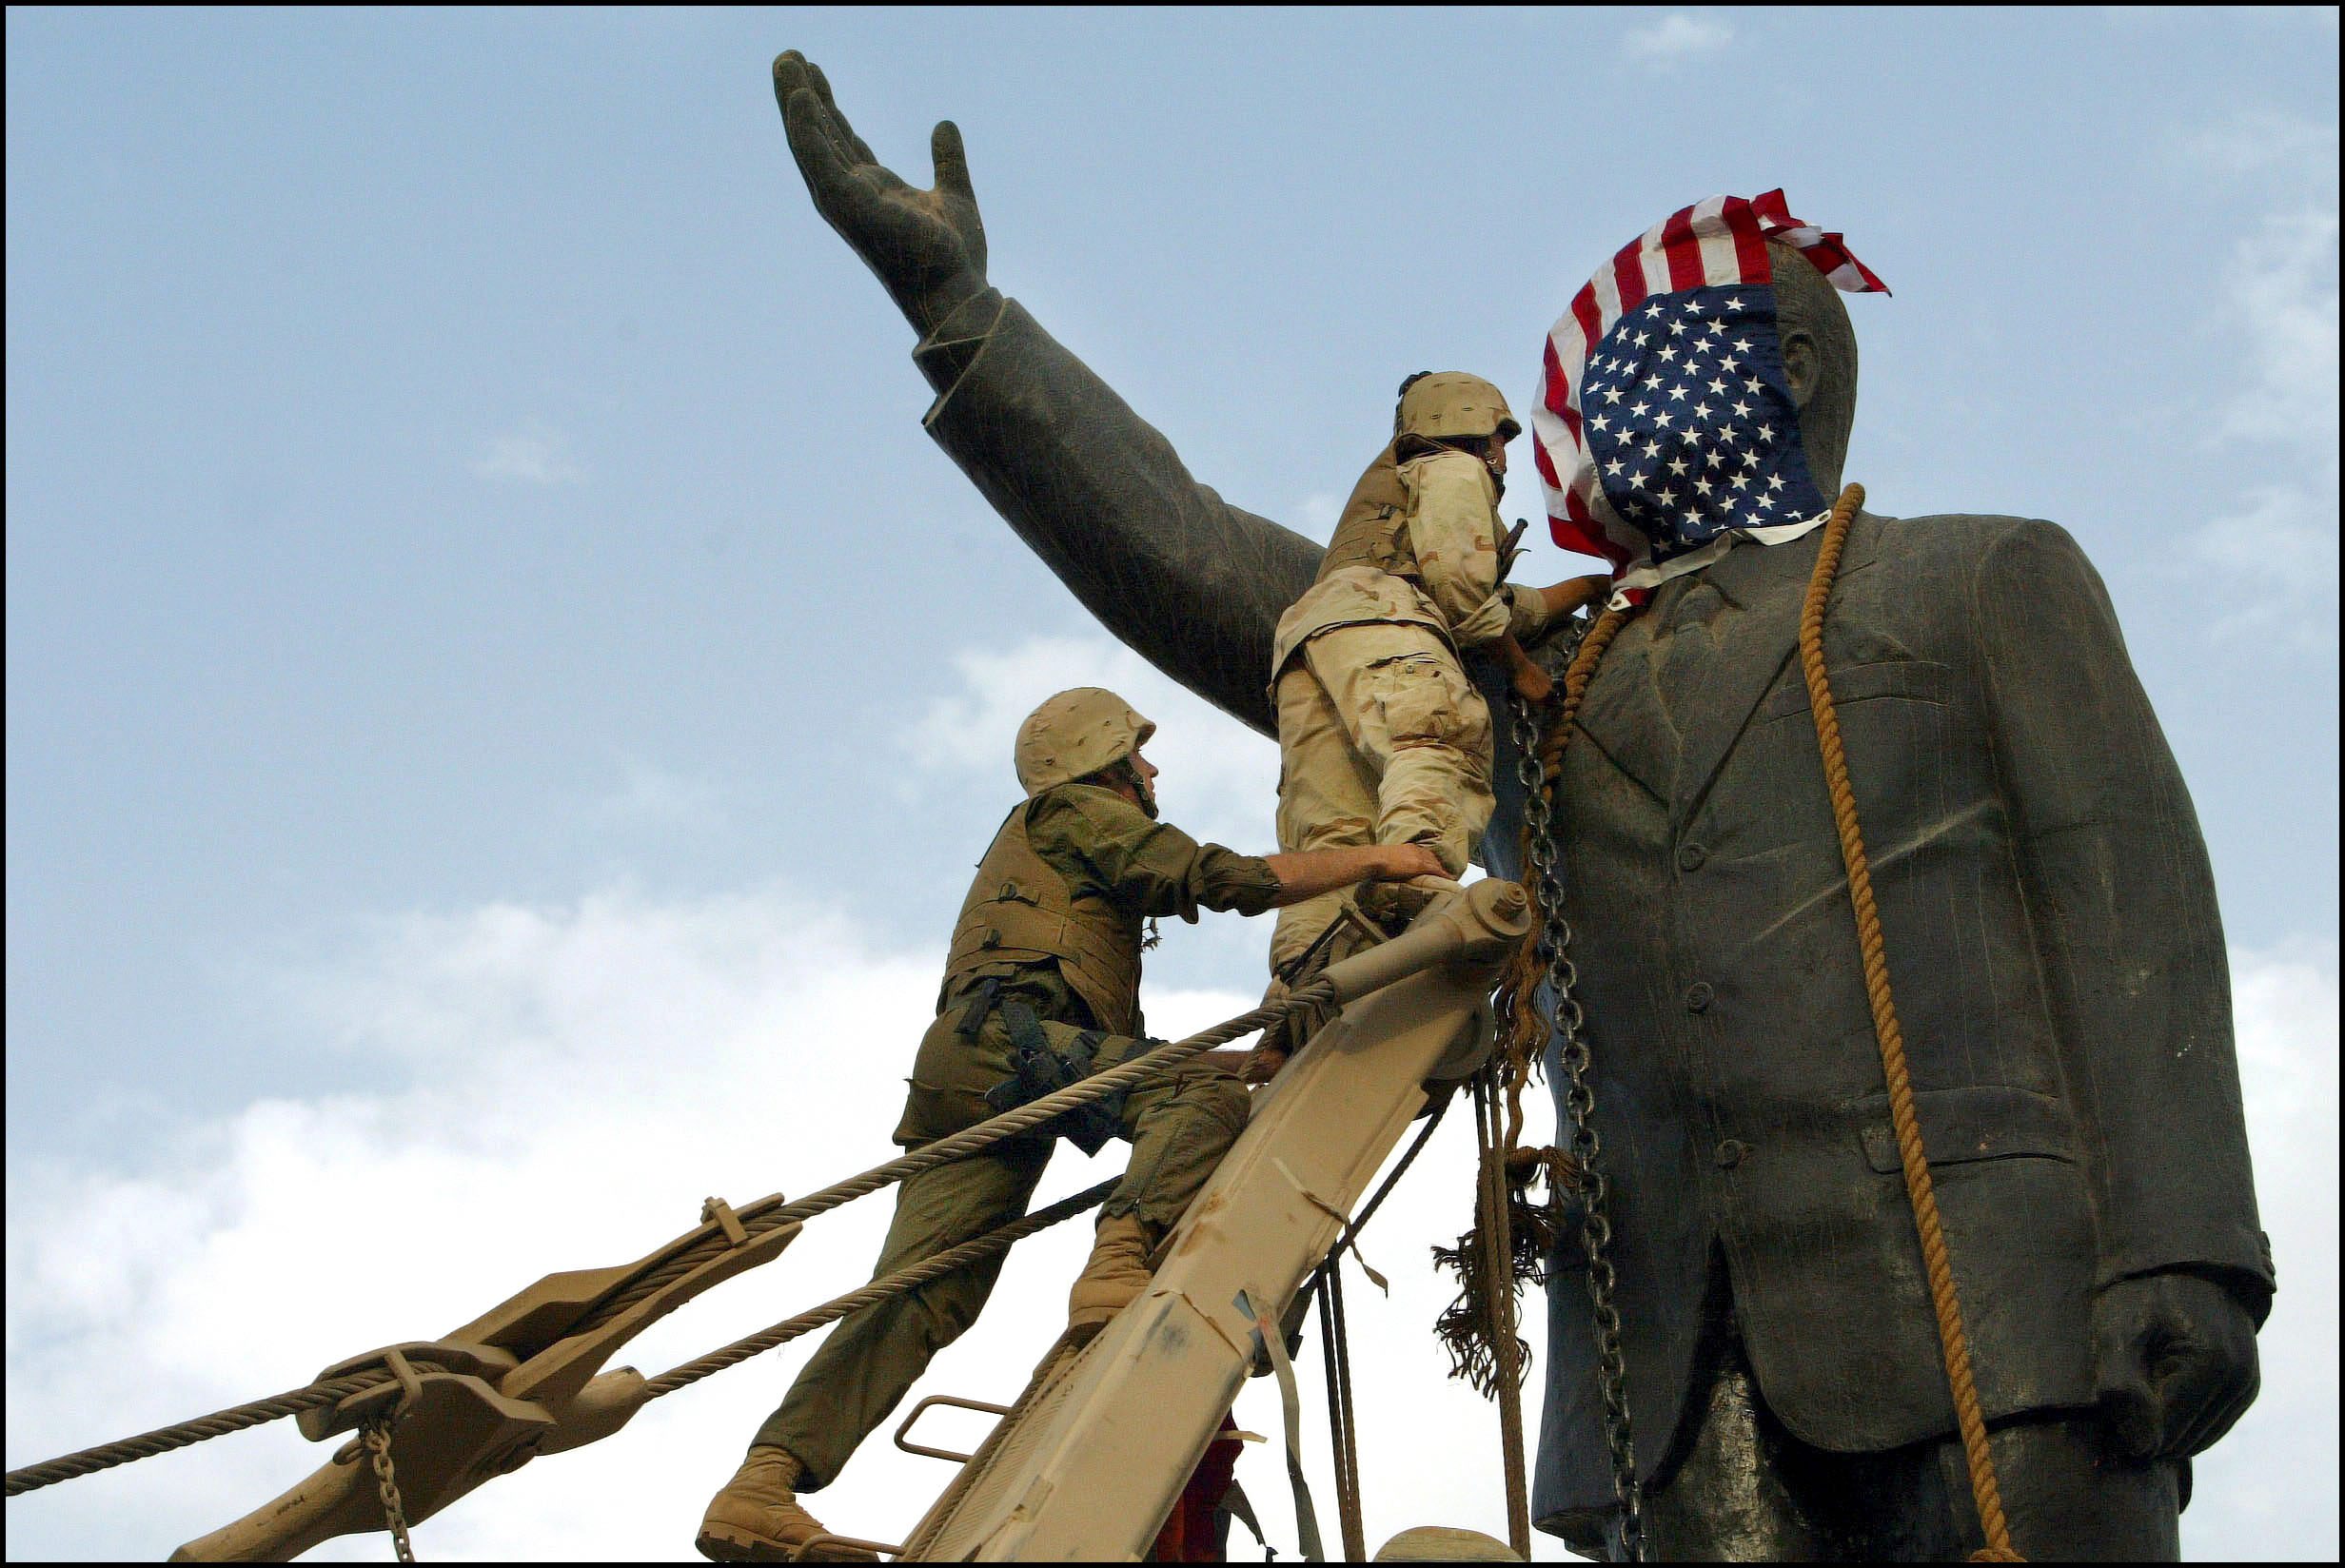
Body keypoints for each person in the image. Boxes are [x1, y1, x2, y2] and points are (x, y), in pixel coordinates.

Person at [761, 60, 2268, 1562]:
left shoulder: (1978, 579)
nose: (1598, 402)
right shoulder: (1538, 676)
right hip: (1663, 1378)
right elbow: (1210, 565)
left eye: (1654, 351)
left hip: (2001, 1333)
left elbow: (2131, 906)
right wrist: (959, 316)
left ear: (1797, 368)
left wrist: (2190, 1250)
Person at [697, 686, 1443, 1562]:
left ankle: (763, 1483)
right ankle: (1117, 1259)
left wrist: (1238, 1062)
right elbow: (1218, 878)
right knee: (1198, 1105)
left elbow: (1114, 1056)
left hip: (973, 1065)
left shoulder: (1045, 854)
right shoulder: (1076, 810)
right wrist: (1385, 859)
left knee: (924, 1293)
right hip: (1011, 1047)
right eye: (1139, 754)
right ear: (1107, 764)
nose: (1152, 769)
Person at [1260, 372, 1602, 1072]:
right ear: (1468, 425)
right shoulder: (1450, 467)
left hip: (1310, 645)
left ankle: (1299, 988)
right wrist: (1522, 671)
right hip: (1387, 622)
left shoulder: (1389, 502)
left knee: (1336, 832)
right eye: (1500, 437)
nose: (1503, 455)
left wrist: (1593, 587)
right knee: (1437, 737)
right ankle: (1414, 885)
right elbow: (1464, 594)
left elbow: (1505, 602)